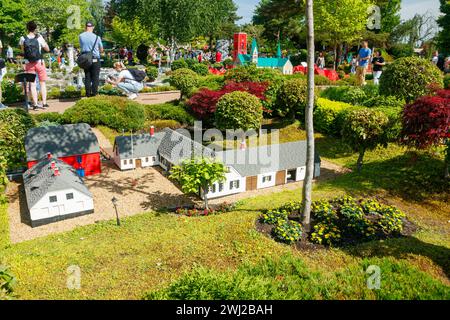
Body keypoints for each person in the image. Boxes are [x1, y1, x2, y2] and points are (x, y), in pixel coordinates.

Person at [19, 21, 51, 110]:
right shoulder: (39, 37)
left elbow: (22, 51)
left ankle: (35, 105)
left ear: (27, 28)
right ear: (35, 28)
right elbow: (47, 49)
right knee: (42, 83)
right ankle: (44, 103)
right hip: (39, 62)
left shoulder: (23, 38)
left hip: (29, 63)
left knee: (32, 84)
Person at [79, 21, 103, 97]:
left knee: (87, 76)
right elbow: (101, 49)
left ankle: (88, 94)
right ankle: (95, 94)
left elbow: (81, 47)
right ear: (93, 27)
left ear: (85, 27)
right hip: (95, 58)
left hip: (86, 59)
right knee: (95, 77)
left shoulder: (81, 36)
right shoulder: (97, 37)